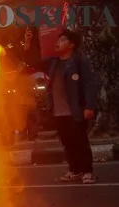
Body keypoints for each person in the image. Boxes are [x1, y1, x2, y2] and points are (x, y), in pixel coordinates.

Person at [24, 28, 97, 184]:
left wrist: (89, 107)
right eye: (58, 40)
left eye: (62, 40)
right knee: (67, 143)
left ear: (71, 45)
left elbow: (89, 84)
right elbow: (33, 61)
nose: (58, 42)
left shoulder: (79, 61)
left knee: (80, 142)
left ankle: (87, 171)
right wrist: (29, 43)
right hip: (58, 112)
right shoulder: (54, 63)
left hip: (75, 111)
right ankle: (75, 170)